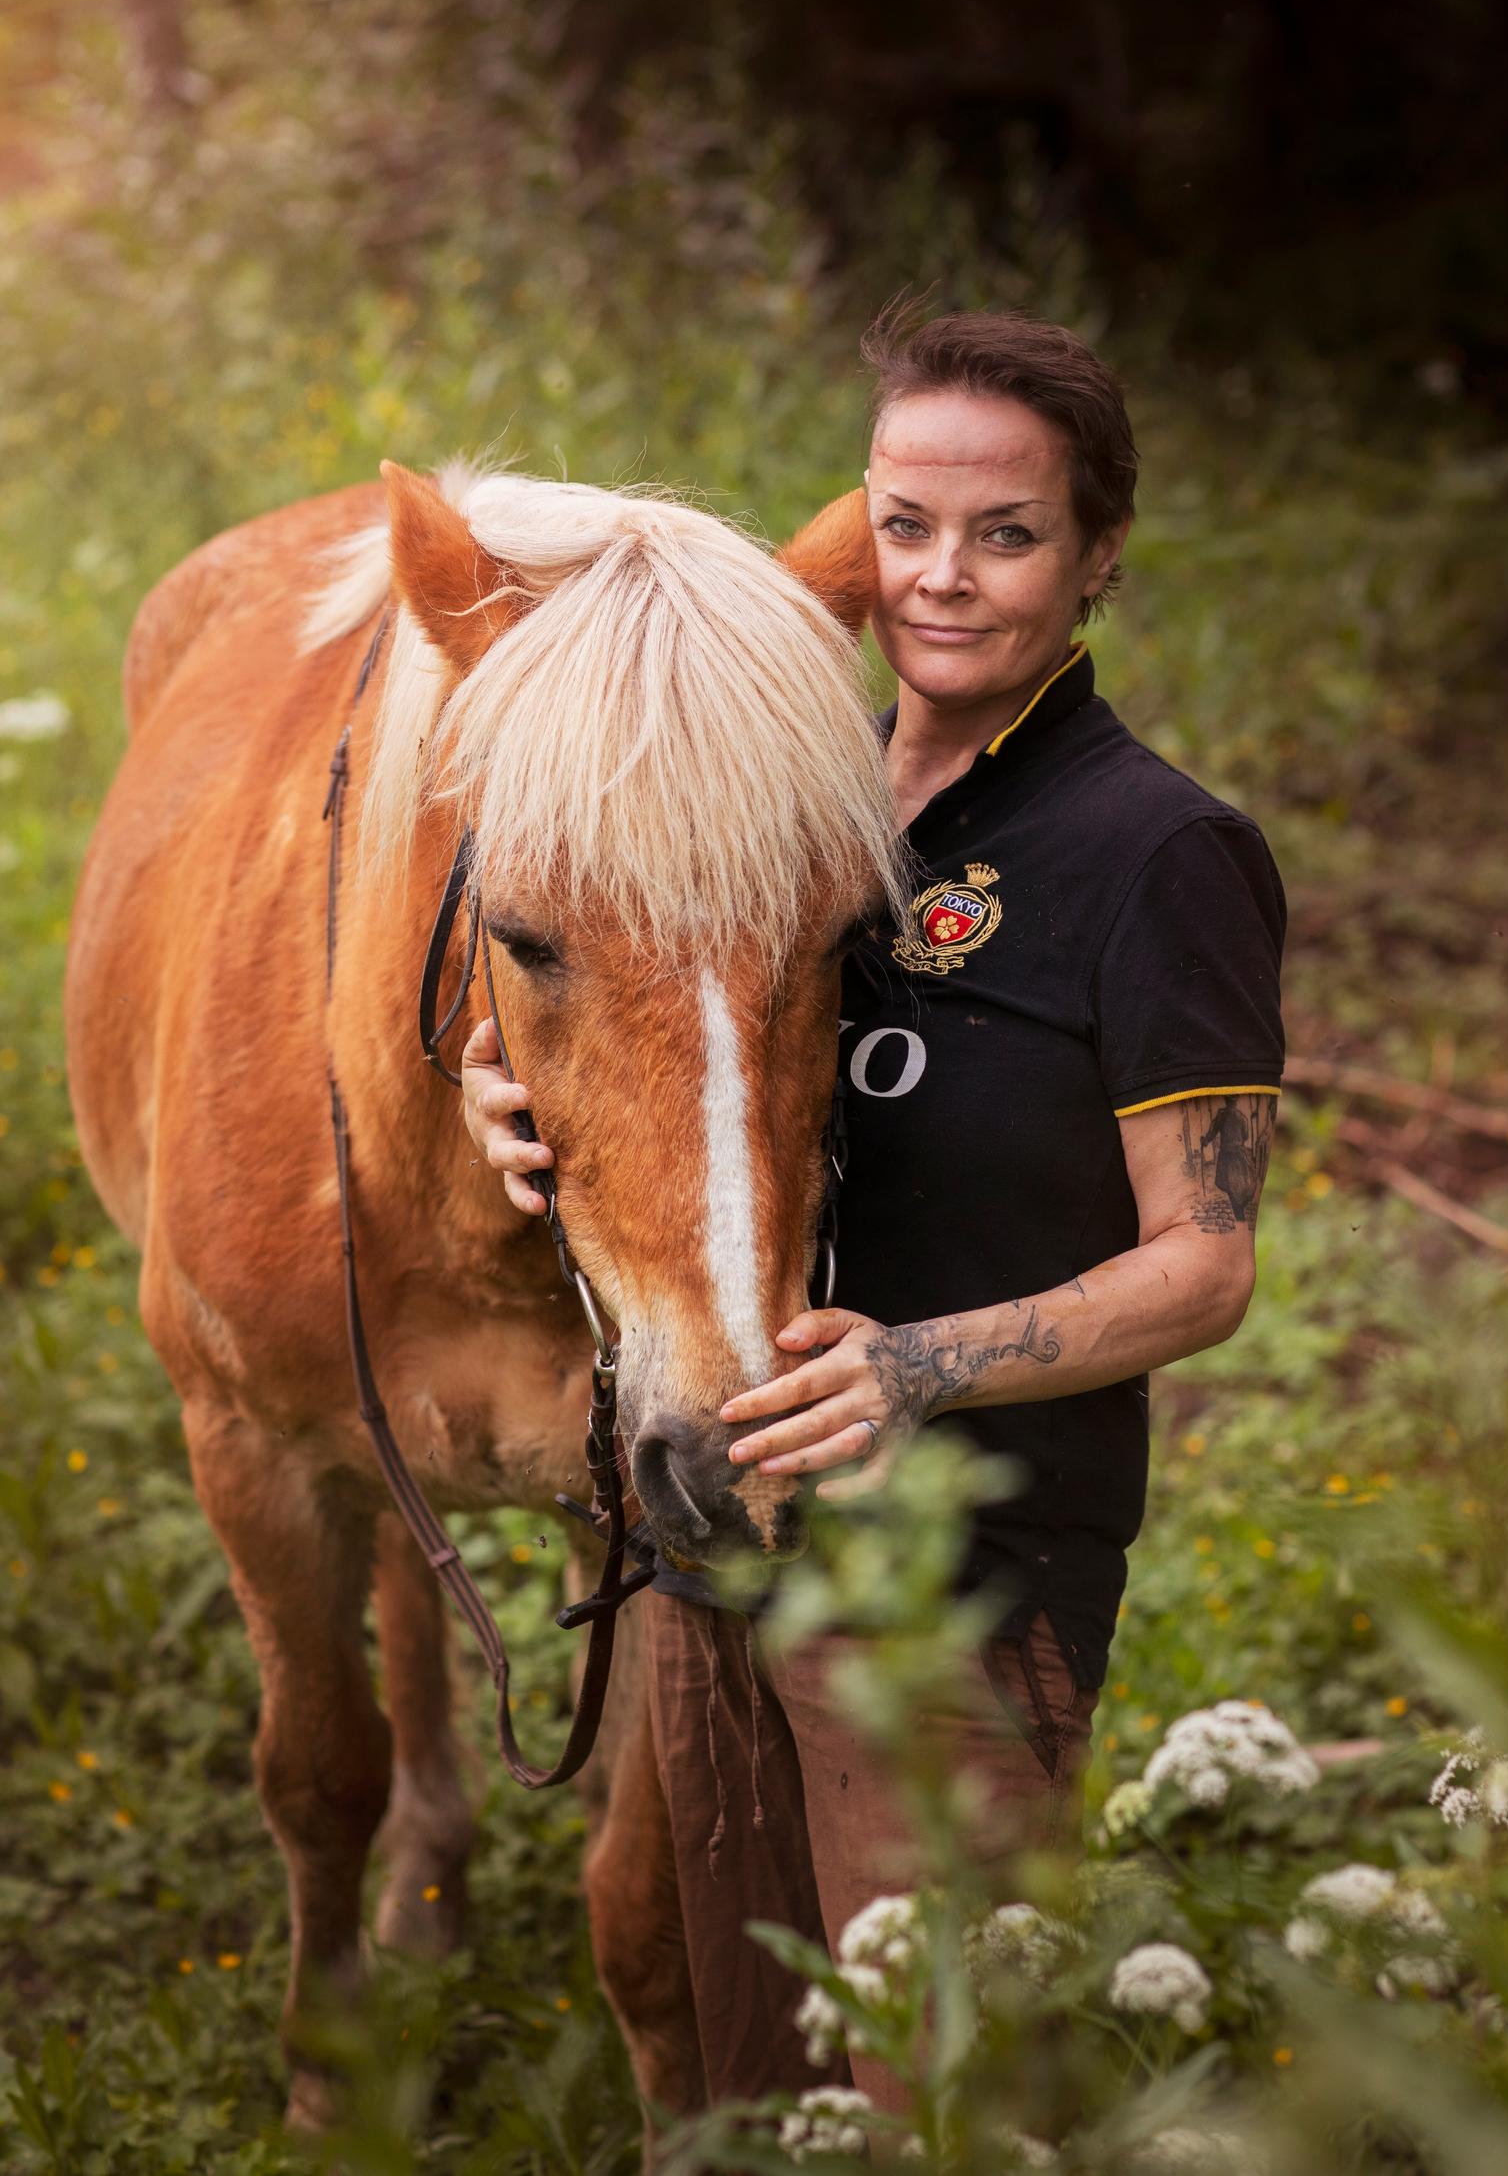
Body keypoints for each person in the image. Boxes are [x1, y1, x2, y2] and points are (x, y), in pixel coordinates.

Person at [461, 308, 1287, 2112]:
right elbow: (639, 1013)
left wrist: (914, 1364)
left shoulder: (1154, 854)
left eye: (1008, 534)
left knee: (939, 2090)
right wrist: (511, 1094)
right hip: (714, 1529)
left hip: (954, 1579)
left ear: (1098, 556)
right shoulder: (781, 786)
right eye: (905, 523)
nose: (941, 577)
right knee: (741, 2076)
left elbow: (1205, 1265)